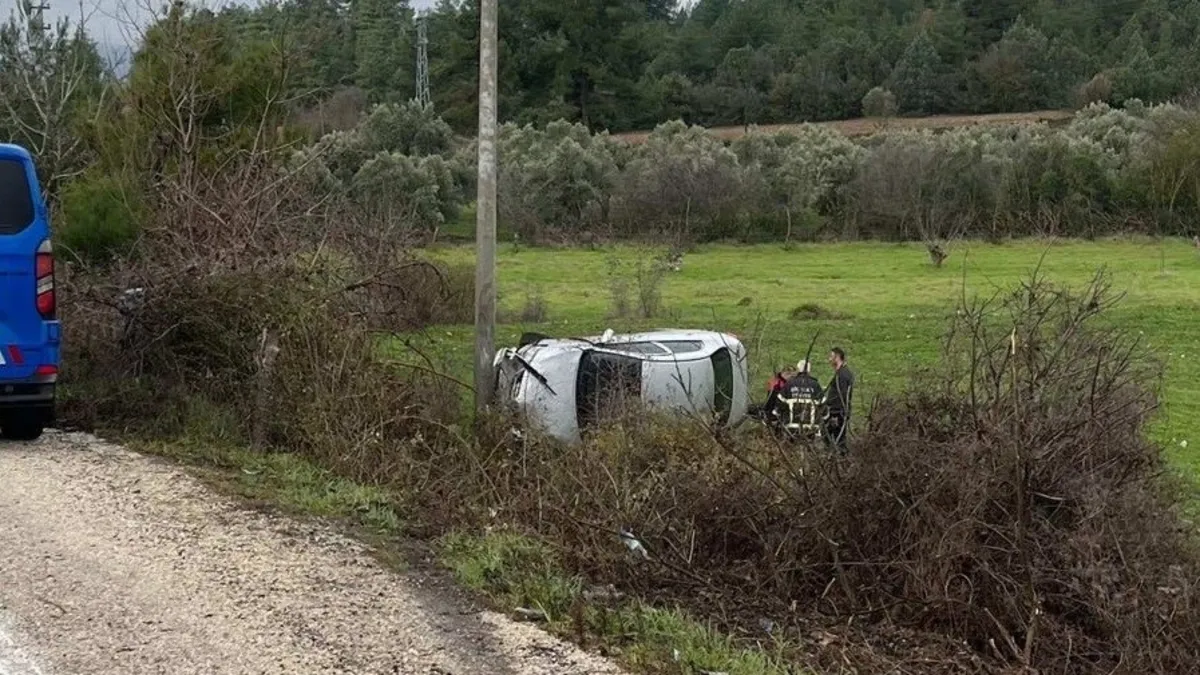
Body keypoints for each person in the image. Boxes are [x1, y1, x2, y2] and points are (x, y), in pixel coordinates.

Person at [822, 347, 854, 453]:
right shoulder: (842, 373)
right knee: (834, 438)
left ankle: (839, 460)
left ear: (837, 357)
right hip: (839, 411)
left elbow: (842, 395)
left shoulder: (842, 375)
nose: (829, 359)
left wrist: (834, 412)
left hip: (837, 412)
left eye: (831, 356)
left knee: (834, 438)